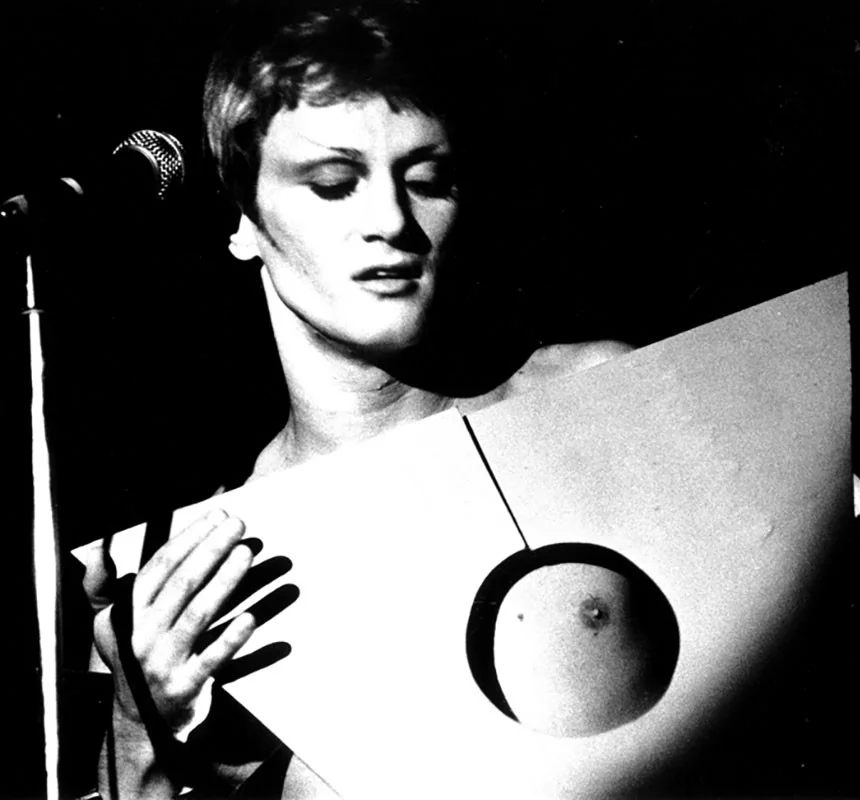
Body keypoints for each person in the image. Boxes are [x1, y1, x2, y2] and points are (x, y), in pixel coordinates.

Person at [81, 1, 632, 797]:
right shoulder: (206, 564)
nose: (392, 221)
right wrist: (138, 730)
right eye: (334, 184)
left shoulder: (592, 396)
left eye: (428, 181)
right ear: (241, 220)